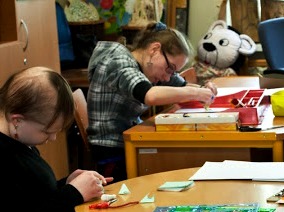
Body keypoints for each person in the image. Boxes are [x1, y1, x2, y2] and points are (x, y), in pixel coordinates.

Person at [87, 22, 217, 181]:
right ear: (154, 49)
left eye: (173, 72)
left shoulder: (148, 66)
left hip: (127, 142)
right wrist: (196, 93)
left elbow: (182, 86)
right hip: (111, 153)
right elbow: (150, 95)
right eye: (170, 68)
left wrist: (204, 89)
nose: (168, 77)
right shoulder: (118, 61)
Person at [0, 67, 110, 212]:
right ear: (17, 120)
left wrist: (66, 184)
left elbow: (33, 196)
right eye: (47, 131)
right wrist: (73, 193)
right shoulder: (5, 158)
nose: (52, 138)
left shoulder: (20, 142)